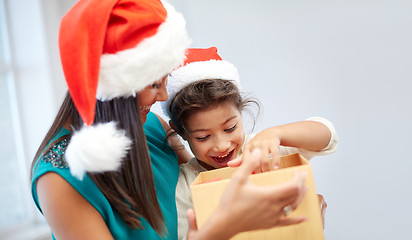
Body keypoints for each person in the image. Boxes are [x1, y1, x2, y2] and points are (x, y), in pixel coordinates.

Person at [31, 1, 308, 240]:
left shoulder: (152, 127)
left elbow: (204, 189)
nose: (163, 94)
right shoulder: (59, 181)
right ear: (112, 86)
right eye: (153, 84)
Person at [161, 47, 338, 239]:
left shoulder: (263, 150)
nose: (221, 145)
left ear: (240, 112)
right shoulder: (184, 185)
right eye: (203, 137)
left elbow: (327, 135)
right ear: (181, 132)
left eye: (230, 128)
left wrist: (277, 133)